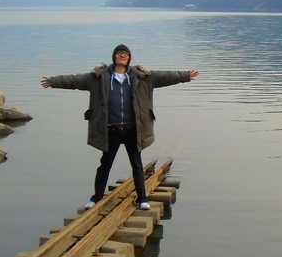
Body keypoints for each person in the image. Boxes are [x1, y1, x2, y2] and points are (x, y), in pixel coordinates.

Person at [41, 44, 199, 210]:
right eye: (119, 53)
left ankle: (142, 199)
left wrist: (185, 76)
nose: (122, 55)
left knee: (137, 165)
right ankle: (96, 198)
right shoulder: (98, 77)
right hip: (111, 130)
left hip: (133, 130)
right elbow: (74, 80)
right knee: (105, 165)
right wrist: (53, 81)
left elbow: (165, 76)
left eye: (125, 53)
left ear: (129, 58)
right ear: (114, 56)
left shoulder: (142, 77)